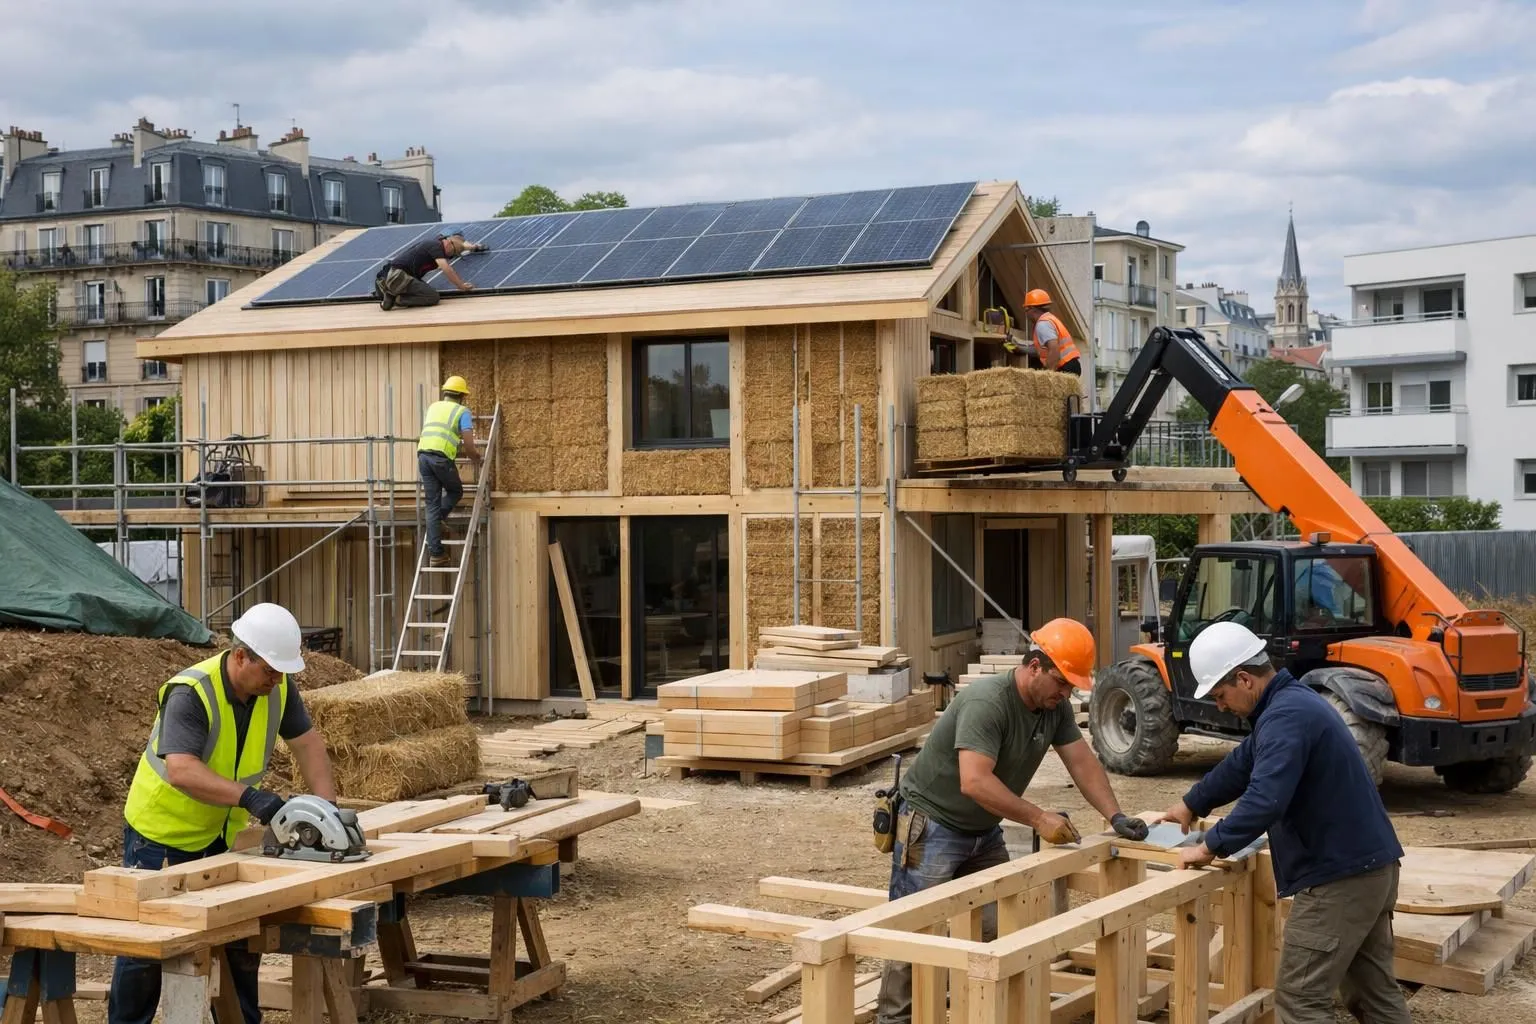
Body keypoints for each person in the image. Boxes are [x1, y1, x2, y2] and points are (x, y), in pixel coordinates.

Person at [874, 618, 1149, 1024]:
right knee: (913, 930)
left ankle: (978, 1011)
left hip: (983, 831)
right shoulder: (988, 701)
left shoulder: (1051, 708)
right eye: (1061, 681)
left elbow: (1082, 762)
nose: (1065, 692)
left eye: (1071, 686)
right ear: (1034, 666)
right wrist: (1039, 817)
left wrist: (1116, 815)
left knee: (1001, 925)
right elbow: (974, 780)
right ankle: (894, 1020)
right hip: (932, 826)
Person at [1155, 620, 1409, 1024]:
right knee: (1373, 993)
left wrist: (1208, 847)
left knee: (1300, 1000)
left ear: (1244, 678)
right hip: (1370, 869)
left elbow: (1264, 800)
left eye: (1221, 695)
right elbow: (1243, 764)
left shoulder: (1287, 715)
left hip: (1339, 880)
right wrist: (1191, 804)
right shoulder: (1290, 705)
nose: (1220, 705)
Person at [110, 603, 336, 1024]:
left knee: (237, 937)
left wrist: (327, 813)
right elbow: (181, 770)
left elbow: (308, 745)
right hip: (160, 834)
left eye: (282, 671)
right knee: (147, 951)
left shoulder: (278, 688)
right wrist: (250, 797)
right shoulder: (191, 692)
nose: (277, 679)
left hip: (218, 834)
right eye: (269, 669)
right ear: (239, 656)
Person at [417, 375, 482, 567]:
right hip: (441, 458)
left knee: (432, 504)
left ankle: (436, 553)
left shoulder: (433, 407)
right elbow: (469, 444)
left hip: (423, 457)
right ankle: (437, 521)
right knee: (455, 491)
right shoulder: (462, 411)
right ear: (462, 395)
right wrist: (475, 457)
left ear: (445, 392)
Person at [375, 231, 485, 310]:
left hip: (400, 277)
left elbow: (459, 243)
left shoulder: (440, 244)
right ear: (449, 245)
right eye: (452, 254)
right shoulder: (436, 246)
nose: (449, 257)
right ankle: (395, 298)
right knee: (432, 297)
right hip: (397, 276)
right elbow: (446, 268)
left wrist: (474, 247)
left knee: (427, 293)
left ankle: (392, 296)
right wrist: (461, 286)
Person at [1014, 288, 1083, 375]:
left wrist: (1048, 374)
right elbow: (1042, 350)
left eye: (1026, 309)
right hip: (1070, 366)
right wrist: (1021, 349)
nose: (1026, 313)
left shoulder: (1043, 324)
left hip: (1064, 367)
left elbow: (1054, 349)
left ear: (1032, 309)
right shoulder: (1050, 319)